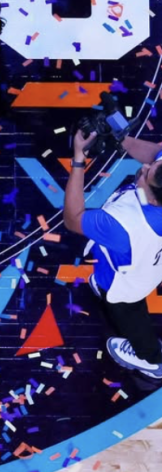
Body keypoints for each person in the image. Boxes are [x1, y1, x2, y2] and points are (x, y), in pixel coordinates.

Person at [64, 129, 162, 380]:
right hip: (143, 255)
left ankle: (150, 359)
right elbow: (155, 152)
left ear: (153, 198)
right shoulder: (154, 194)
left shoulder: (123, 225)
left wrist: (78, 158)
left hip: (129, 285)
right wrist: (119, 137)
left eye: (147, 170)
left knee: (129, 315)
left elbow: (73, 219)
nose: (147, 164)